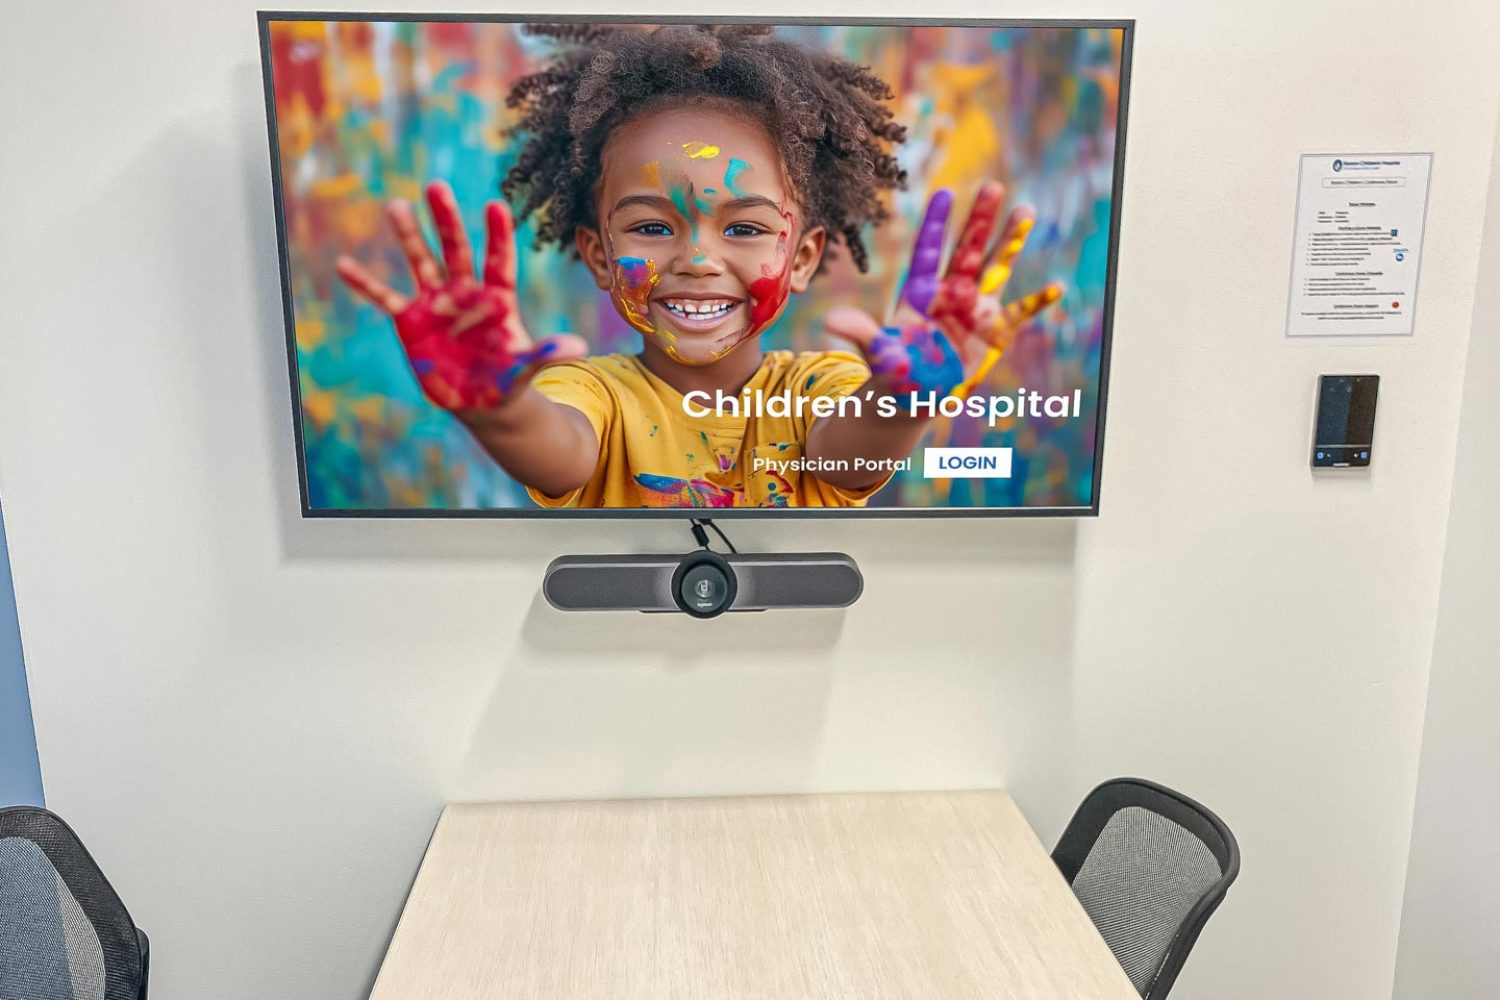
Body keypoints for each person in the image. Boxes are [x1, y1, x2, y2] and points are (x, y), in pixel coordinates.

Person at [336, 23, 1062, 508]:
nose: (696, 258)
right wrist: (498, 412)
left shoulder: (822, 388)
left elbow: (851, 457)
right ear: (596, 254)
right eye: (652, 226)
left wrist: (901, 403)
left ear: (803, 257)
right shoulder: (591, 394)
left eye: (744, 227)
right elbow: (556, 452)